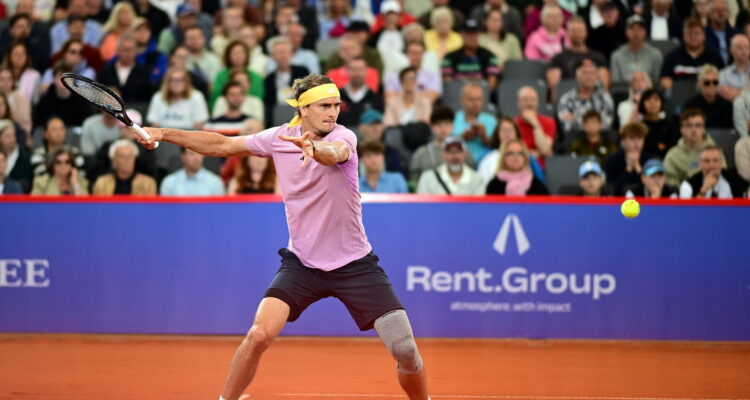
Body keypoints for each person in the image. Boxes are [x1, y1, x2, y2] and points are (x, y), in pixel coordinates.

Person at [132, 73, 431, 400]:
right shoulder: (278, 138)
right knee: (259, 335)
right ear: (303, 109)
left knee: (405, 349)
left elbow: (334, 153)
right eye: (324, 106)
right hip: (302, 264)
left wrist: (314, 148)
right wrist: (163, 132)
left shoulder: (344, 136)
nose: (333, 113)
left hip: (355, 264)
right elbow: (222, 144)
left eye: (336, 106)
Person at [547, 17, 609, 100]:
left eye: (580, 30)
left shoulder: (598, 57)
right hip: (568, 101)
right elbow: (555, 89)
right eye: (573, 30)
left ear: (586, 32)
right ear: (567, 33)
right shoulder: (558, 58)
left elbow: (604, 86)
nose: (577, 34)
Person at [660, 17, 724, 92]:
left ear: (704, 36)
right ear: (683, 36)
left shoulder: (714, 57)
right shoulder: (672, 57)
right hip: (680, 97)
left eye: (696, 33)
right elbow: (664, 80)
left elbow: (722, 80)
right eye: (689, 33)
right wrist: (667, 84)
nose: (693, 37)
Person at [664, 108, 722, 187]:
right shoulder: (673, 155)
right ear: (681, 129)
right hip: (684, 196)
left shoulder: (716, 152)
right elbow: (669, 181)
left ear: (704, 128)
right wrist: (685, 190)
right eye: (688, 125)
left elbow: (723, 175)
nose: (693, 129)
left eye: (698, 125)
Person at [478, 117, 545, 184]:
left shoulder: (526, 155)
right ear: (497, 134)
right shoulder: (488, 156)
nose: (507, 133)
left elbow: (539, 179)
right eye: (504, 130)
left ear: (517, 134)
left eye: (510, 130)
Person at [411, 106, 469, 181]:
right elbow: (414, 180)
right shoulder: (422, 153)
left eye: (446, 123)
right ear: (432, 127)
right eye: (438, 124)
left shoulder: (463, 150)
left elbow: (470, 173)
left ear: (452, 126)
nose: (443, 128)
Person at [557, 58, 615, 133]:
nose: (589, 76)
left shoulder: (605, 98)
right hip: (574, 138)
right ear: (577, 76)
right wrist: (594, 123)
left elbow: (607, 123)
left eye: (592, 73)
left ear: (597, 77)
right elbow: (566, 125)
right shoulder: (567, 98)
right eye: (585, 73)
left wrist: (575, 119)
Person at [442, 19, 500, 91]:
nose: (473, 37)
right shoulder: (449, 58)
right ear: (462, 35)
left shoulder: (490, 57)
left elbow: (491, 85)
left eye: (476, 34)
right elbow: (449, 86)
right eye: (470, 34)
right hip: (457, 98)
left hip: (482, 98)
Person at [263, 37, 309, 125]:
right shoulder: (269, 79)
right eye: (279, 53)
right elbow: (268, 105)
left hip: (299, 114)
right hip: (277, 118)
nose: (283, 56)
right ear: (272, 56)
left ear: (291, 53)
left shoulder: (302, 71)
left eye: (285, 52)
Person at [416, 136, 485, 195]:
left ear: (465, 154)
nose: (454, 156)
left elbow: (478, 208)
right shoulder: (428, 178)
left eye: (458, 151)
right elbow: (422, 207)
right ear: (443, 154)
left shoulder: (477, 180)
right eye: (449, 151)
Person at [98, 33, 154, 103]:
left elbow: (148, 98)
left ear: (136, 50)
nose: (128, 53)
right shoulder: (106, 71)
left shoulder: (144, 72)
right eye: (125, 49)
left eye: (131, 49)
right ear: (117, 50)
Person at [34, 63, 93, 128]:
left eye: (69, 77)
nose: (65, 80)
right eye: (61, 76)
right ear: (54, 79)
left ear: (73, 80)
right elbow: (38, 126)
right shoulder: (45, 101)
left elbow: (87, 125)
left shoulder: (81, 101)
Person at [610, 15, 663, 85]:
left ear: (645, 32)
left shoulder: (655, 55)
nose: (636, 33)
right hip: (624, 94)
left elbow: (657, 83)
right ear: (626, 32)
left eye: (639, 29)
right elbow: (616, 85)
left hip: (648, 93)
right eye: (632, 28)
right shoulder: (616, 56)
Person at [604, 121, 655, 195]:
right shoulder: (611, 160)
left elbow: (654, 188)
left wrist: (638, 168)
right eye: (632, 138)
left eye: (640, 138)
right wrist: (628, 170)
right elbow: (611, 190)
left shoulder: (651, 160)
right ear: (623, 141)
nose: (636, 143)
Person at [92, 139, 157, 195]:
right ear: (113, 161)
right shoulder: (102, 183)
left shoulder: (147, 183)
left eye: (130, 156)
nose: (127, 160)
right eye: (122, 156)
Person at [679, 144, 747, 197]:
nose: (711, 165)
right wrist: (704, 189)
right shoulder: (688, 186)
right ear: (699, 164)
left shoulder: (736, 181)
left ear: (722, 163)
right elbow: (688, 213)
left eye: (715, 160)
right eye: (706, 161)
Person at [452, 83, 496, 163]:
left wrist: (484, 136)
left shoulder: (491, 120)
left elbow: (497, 147)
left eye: (478, 99)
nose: (475, 103)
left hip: (486, 162)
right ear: (462, 100)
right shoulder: (453, 119)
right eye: (471, 99)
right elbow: (445, 145)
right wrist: (463, 138)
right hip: (458, 162)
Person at [514, 86, 555, 168]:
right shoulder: (513, 123)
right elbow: (512, 151)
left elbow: (544, 149)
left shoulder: (549, 122)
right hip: (519, 166)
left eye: (533, 99)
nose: (529, 103)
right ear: (518, 103)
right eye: (525, 100)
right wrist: (532, 154)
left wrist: (535, 123)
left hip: (542, 168)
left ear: (537, 103)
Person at [337, 57, 384, 127]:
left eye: (360, 69)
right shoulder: (337, 96)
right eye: (353, 69)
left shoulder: (376, 99)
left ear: (366, 71)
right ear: (347, 71)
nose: (357, 73)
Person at [683, 64, 734, 128]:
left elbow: (729, 132)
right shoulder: (690, 106)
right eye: (707, 83)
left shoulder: (727, 106)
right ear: (699, 84)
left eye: (715, 82)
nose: (711, 86)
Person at [159, 147, 225, 196]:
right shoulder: (169, 182)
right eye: (191, 153)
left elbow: (218, 212)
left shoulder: (215, 182)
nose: (196, 158)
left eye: (199, 153)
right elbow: (166, 211)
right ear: (183, 156)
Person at [358, 109, 404, 175]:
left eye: (379, 124)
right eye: (372, 125)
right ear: (361, 127)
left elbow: (398, 176)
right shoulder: (352, 152)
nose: (376, 128)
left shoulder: (391, 152)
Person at [638, 88, 679, 158]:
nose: (652, 103)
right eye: (648, 99)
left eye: (656, 99)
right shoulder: (639, 127)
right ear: (642, 103)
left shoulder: (669, 125)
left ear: (661, 102)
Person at [184, 26, 223, 94]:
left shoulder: (213, 59)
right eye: (191, 38)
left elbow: (214, 83)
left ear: (204, 39)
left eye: (197, 37)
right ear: (185, 41)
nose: (194, 41)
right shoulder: (181, 59)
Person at [0, 67, 31, 140]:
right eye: (2, 79)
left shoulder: (21, 98)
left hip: (16, 134)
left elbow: (26, 124)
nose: (6, 82)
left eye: (9, 79)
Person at [0, 119, 31, 192]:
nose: (12, 139)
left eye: (13, 135)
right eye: (7, 136)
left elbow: (26, 183)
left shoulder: (24, 156)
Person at [718, 34, 750, 101]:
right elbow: (726, 95)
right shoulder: (723, 74)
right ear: (731, 51)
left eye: (746, 47)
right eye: (739, 47)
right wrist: (747, 90)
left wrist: (735, 92)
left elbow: (732, 95)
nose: (744, 51)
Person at [704, 0, 737, 65]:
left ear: (728, 13)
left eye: (724, 10)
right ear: (709, 14)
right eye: (717, 10)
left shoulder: (736, 34)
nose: (721, 13)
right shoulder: (703, 34)